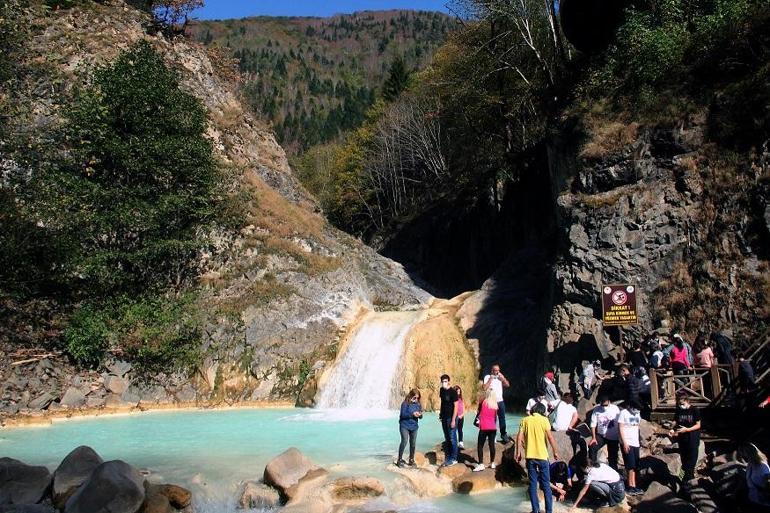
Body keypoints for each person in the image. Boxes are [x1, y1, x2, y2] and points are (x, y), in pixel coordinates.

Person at [516, 402, 561, 513]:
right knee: (546, 484)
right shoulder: (544, 420)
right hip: (542, 457)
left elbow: (519, 437)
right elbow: (550, 437)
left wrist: (518, 452)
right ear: (542, 411)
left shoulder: (525, 420)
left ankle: (535, 510)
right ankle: (548, 511)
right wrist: (555, 451)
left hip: (530, 457)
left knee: (532, 484)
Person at [668, 391, 701, 483]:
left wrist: (687, 429)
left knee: (691, 463)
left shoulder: (694, 410)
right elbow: (676, 421)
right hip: (682, 440)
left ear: (686, 400)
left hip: (692, 439)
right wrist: (672, 428)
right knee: (684, 462)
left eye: (681, 402)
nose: (680, 404)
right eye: (678, 402)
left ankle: (688, 482)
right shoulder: (678, 409)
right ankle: (683, 480)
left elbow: (698, 425)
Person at [589, 395, 621, 471]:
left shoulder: (615, 408)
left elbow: (620, 422)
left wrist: (620, 436)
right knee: (592, 447)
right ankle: (593, 467)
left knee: (612, 457)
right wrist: (593, 438)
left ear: (609, 401)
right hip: (601, 435)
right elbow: (593, 424)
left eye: (606, 405)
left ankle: (614, 471)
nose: (604, 407)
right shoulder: (597, 409)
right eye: (602, 405)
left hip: (613, 437)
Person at [618, 400, 643, 495]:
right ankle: (630, 485)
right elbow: (620, 428)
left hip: (635, 442)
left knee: (636, 465)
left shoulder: (637, 413)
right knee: (630, 465)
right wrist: (624, 443)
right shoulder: (623, 413)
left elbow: (637, 427)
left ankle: (634, 485)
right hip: (627, 442)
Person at [738, 443, 770, 512]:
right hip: (753, 494)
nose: (743, 456)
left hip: (759, 499)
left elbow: (766, 483)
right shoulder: (751, 462)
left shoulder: (762, 466)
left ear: (749, 453)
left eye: (743, 453)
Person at [482, 364, 510, 442]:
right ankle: (492, 435)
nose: (497, 372)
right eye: (495, 370)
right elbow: (484, 388)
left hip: (500, 401)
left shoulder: (500, 376)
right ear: (492, 370)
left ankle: (503, 434)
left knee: (502, 418)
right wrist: (490, 379)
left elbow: (507, 385)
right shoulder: (487, 377)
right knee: (491, 419)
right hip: (491, 401)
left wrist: (503, 379)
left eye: (498, 370)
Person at [473, 389, 498, 472]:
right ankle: (492, 463)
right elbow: (495, 418)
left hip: (484, 427)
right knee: (492, 445)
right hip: (493, 427)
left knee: (480, 445)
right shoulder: (495, 405)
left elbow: (479, 413)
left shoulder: (483, 402)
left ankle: (481, 464)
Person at [397, 389, 423, 467]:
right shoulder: (405, 404)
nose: (416, 399)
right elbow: (402, 415)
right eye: (414, 397)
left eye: (417, 398)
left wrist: (420, 415)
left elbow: (421, 415)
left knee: (413, 443)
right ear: (410, 396)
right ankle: (400, 459)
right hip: (404, 425)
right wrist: (412, 414)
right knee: (404, 441)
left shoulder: (418, 404)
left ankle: (411, 459)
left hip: (414, 426)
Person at [438, 374, 459, 466]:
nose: (444, 383)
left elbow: (456, 406)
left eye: (445, 381)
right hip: (444, 417)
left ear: (449, 382)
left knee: (452, 438)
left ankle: (454, 458)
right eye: (442, 381)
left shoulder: (453, 392)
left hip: (451, 417)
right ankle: (449, 456)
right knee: (447, 437)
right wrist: (440, 414)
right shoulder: (441, 390)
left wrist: (453, 420)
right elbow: (442, 403)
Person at [454, 385, 465, 449]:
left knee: (460, 430)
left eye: (459, 391)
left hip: (461, 417)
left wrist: (462, 415)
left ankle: (461, 442)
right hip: (455, 417)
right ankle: (454, 442)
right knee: (454, 430)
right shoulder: (453, 399)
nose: (459, 392)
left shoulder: (461, 399)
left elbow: (464, 408)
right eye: (457, 391)